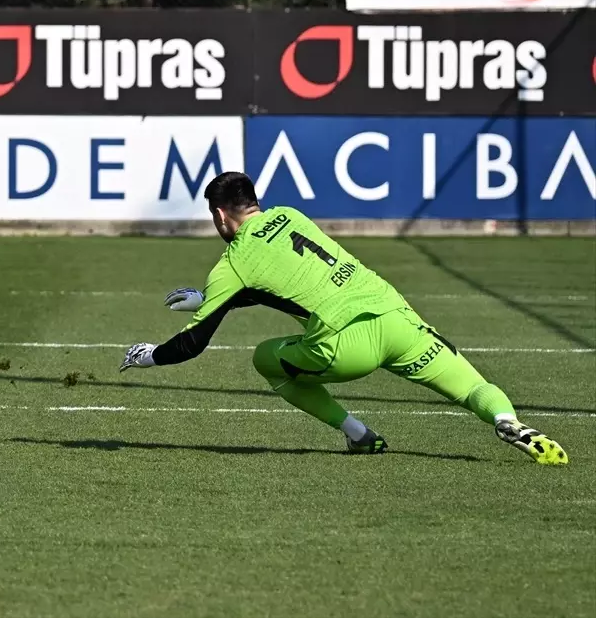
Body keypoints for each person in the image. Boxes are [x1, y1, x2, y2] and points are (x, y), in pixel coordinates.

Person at [118, 171, 568, 465]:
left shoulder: (233, 263)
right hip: (395, 317)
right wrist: (208, 297)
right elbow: (287, 279)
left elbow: (193, 344)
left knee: (264, 359)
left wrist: (148, 356)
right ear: (255, 201)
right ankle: (509, 422)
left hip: (343, 346)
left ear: (219, 215)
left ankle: (358, 433)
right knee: (471, 386)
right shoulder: (291, 215)